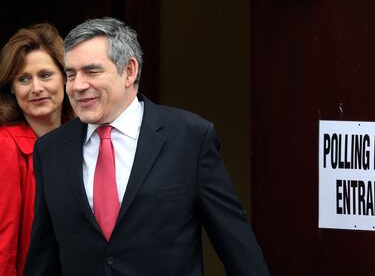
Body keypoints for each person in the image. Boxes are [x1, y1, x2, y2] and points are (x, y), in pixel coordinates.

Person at [24, 17, 270, 276]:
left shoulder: (190, 137)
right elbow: (43, 257)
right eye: (71, 74)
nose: (77, 86)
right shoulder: (49, 150)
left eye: (92, 71)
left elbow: (237, 246)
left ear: (129, 71)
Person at [0, 23, 74, 276]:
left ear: (65, 77)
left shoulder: (84, 139)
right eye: (23, 79)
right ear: (11, 87)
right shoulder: (5, 145)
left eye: (45, 75)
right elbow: (4, 241)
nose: (36, 88)